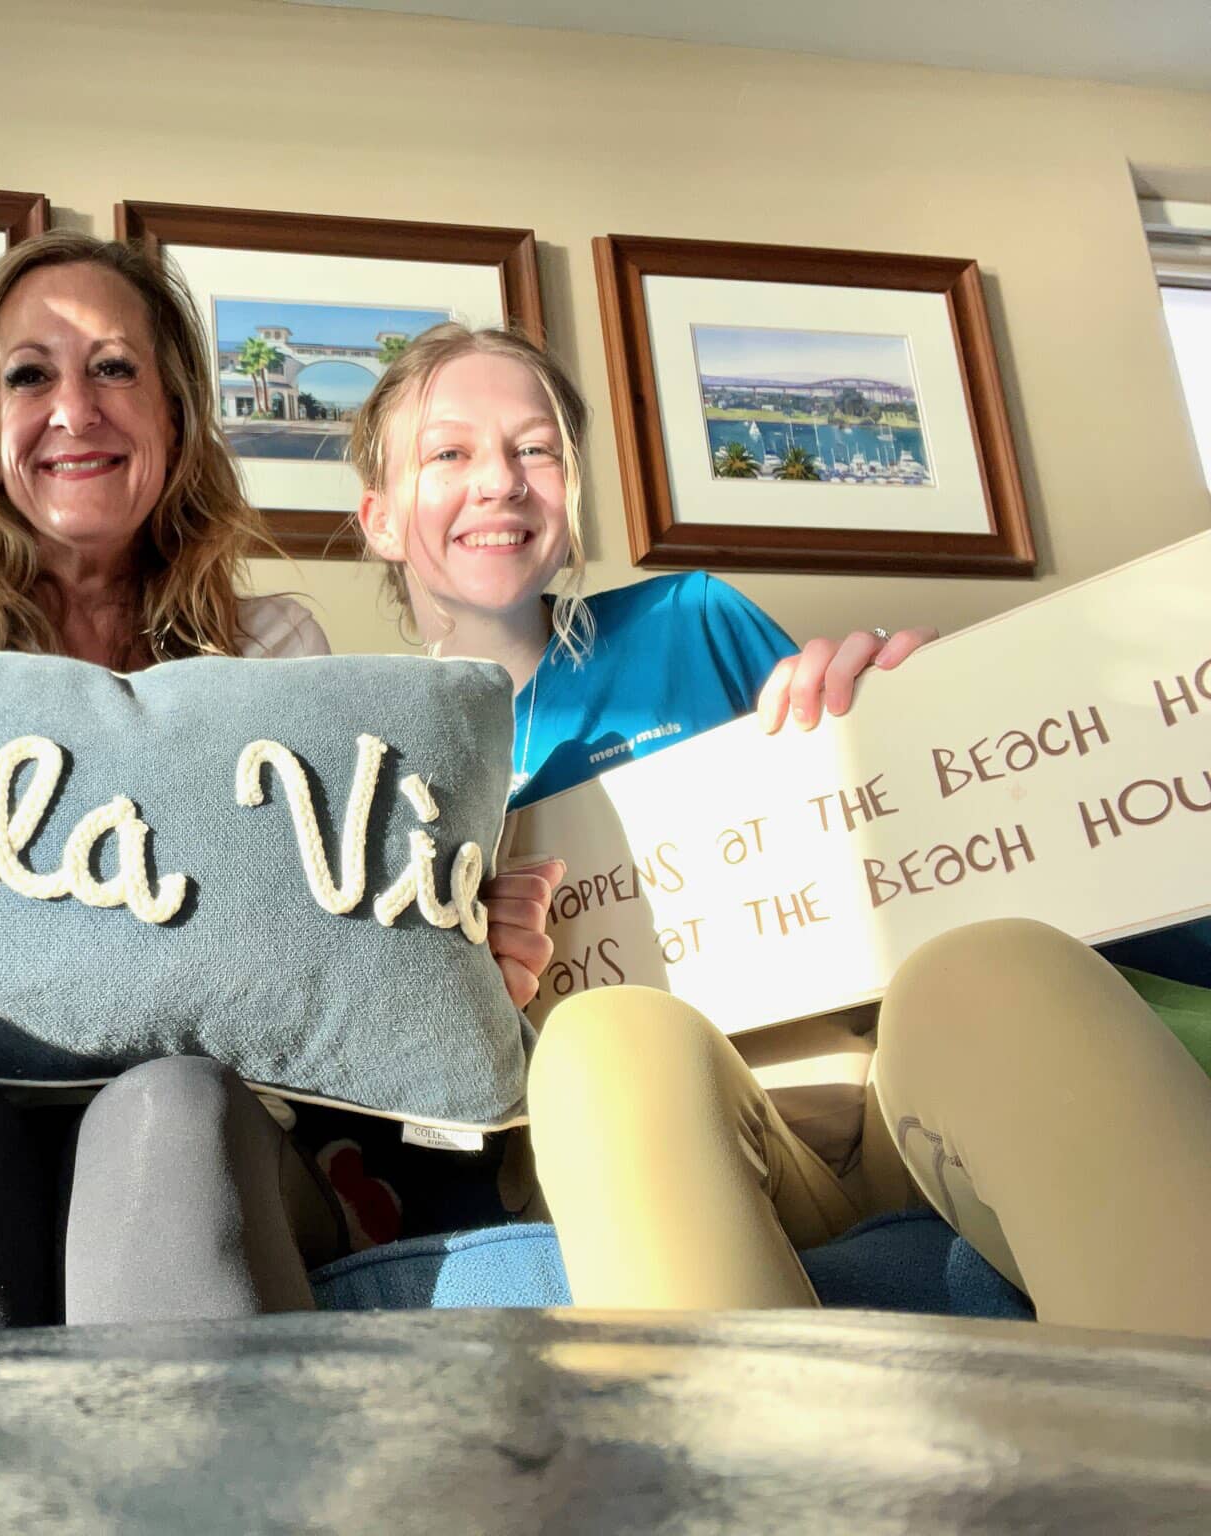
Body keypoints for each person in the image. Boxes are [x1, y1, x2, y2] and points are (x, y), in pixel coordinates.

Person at [0, 233, 550, 1338]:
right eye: (28, 374)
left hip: (212, 1137)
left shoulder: (274, 649)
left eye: (115, 368)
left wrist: (457, 953)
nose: (73, 408)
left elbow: (336, 958)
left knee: (170, 1104)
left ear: (175, 411)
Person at [351, 323, 1211, 1339]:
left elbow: (873, 821)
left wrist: (913, 722)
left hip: (891, 1078)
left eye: (534, 448)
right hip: (670, 1116)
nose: (499, 479)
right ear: (377, 516)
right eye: (448, 453)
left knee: (990, 969)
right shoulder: (373, 783)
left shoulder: (691, 622)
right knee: (603, 1040)